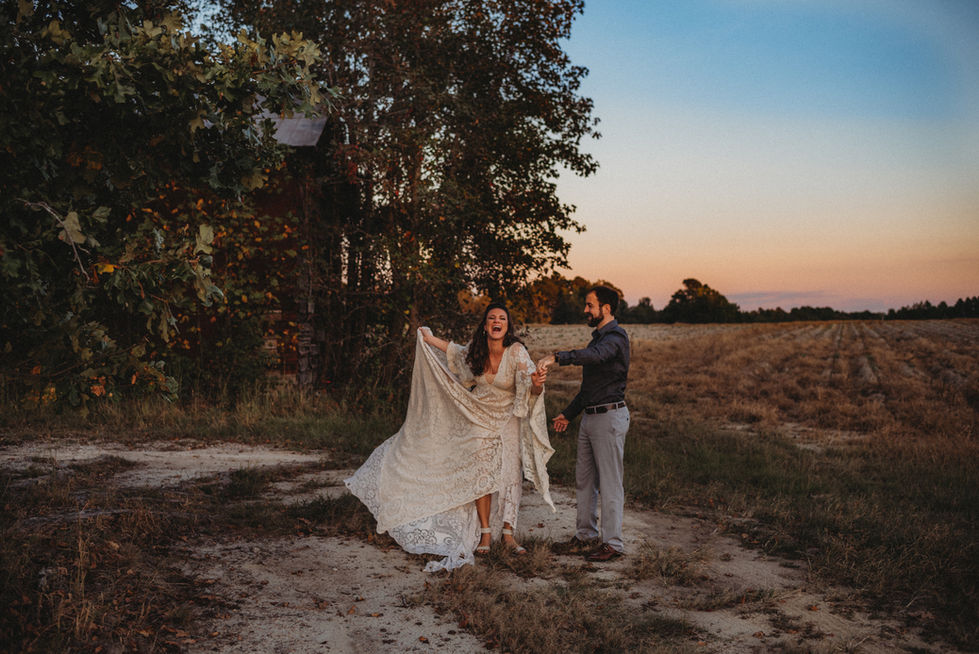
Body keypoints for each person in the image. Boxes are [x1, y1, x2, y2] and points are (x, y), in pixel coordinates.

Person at [345, 303, 555, 571]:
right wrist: (430, 339)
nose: (496, 321)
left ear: (507, 326)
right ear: (485, 325)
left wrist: (538, 382)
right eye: (491, 318)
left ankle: (509, 534)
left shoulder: (516, 351)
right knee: (482, 470)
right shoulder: (476, 350)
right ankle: (485, 533)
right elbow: (456, 353)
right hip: (478, 415)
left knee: (509, 473)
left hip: (507, 418)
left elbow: (531, 386)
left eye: (502, 318)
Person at [537, 285, 630, 562]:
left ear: (606, 308)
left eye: (590, 305)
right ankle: (585, 536)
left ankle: (613, 544)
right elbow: (589, 388)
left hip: (609, 417)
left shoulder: (615, 338)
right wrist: (568, 413)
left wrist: (558, 357)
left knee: (611, 483)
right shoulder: (597, 340)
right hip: (590, 417)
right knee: (585, 481)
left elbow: (597, 356)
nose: (585, 310)